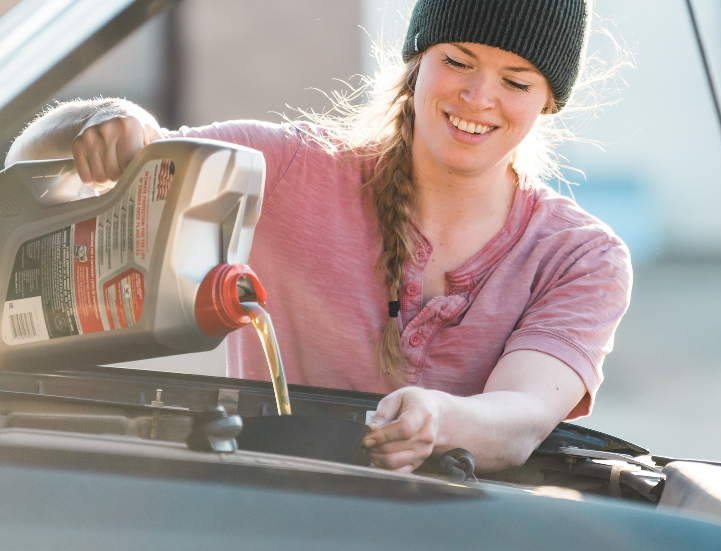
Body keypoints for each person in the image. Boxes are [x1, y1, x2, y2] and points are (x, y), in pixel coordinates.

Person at [5, 0, 632, 474]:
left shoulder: (581, 256)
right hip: (272, 511)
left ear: (548, 101)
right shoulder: (287, 170)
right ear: (417, 62)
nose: (478, 96)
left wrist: (438, 418)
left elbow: (520, 419)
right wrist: (105, 123)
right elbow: (35, 178)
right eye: (457, 61)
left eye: (516, 82)